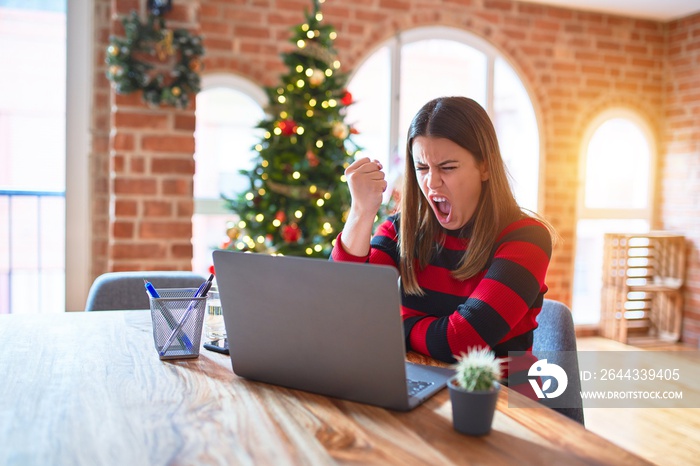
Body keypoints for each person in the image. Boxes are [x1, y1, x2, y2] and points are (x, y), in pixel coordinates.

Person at [331, 96, 554, 395]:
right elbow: (347, 307)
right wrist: (361, 211)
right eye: (422, 167)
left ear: (485, 167)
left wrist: (389, 324)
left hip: (507, 396)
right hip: (423, 382)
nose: (432, 183)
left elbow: (462, 341)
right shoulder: (400, 230)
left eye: (447, 167)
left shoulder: (527, 239)